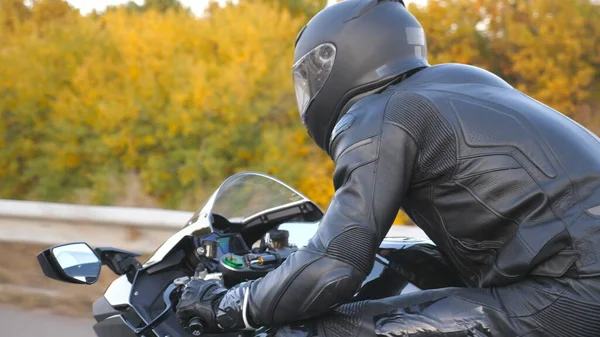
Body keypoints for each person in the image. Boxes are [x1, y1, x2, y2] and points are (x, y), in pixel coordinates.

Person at [176, 0, 600, 336]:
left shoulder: (379, 113)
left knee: (313, 330)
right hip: (576, 271)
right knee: (409, 263)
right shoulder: (462, 80)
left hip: (575, 293)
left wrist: (231, 305)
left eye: (309, 77)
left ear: (335, 60)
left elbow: (334, 266)